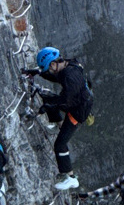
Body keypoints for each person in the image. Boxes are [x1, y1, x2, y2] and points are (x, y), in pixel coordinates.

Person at [25, 46, 92, 192]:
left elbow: (66, 101)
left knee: (60, 144)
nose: (50, 71)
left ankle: (70, 177)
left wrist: (48, 107)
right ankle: (60, 124)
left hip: (78, 111)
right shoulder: (68, 65)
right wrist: (38, 72)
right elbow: (56, 77)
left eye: (49, 68)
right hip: (78, 101)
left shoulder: (70, 77)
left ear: (54, 63)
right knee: (48, 98)